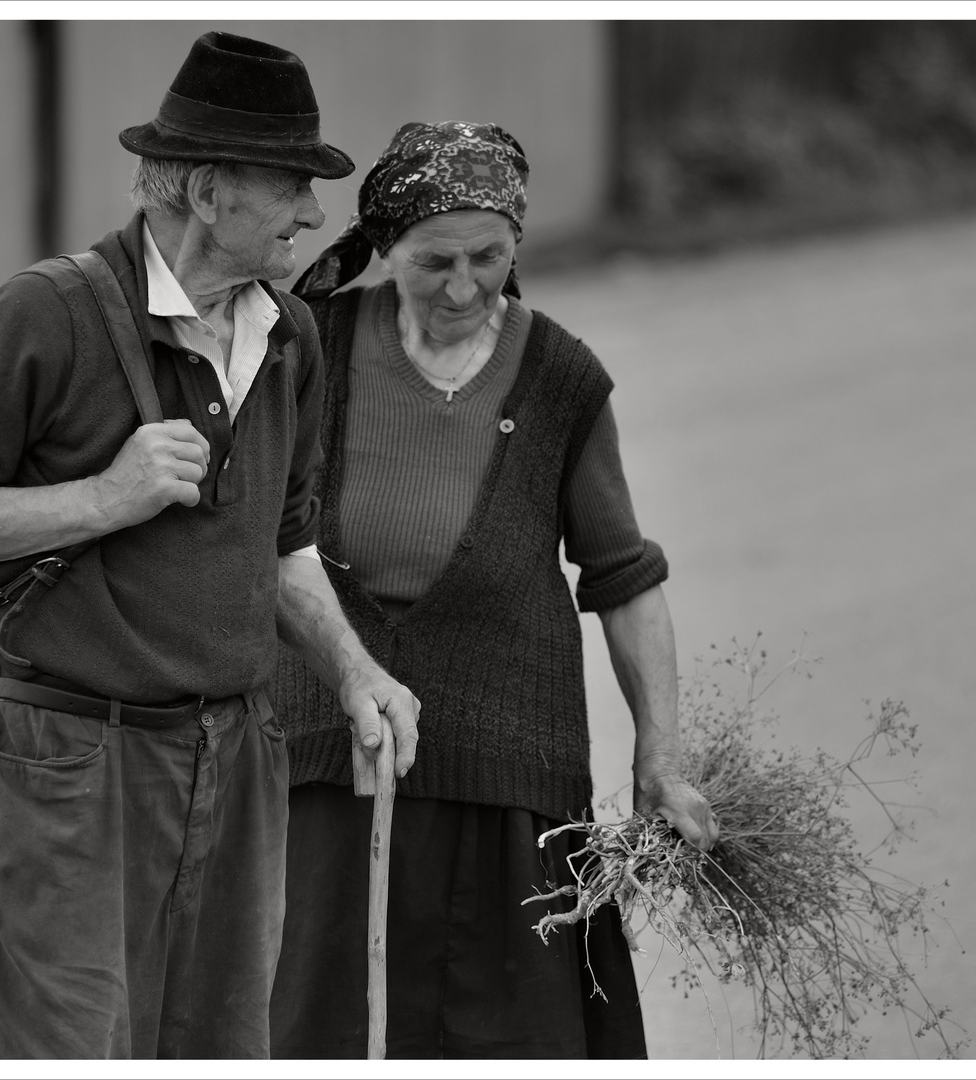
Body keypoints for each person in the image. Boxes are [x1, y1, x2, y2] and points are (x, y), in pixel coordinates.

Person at [0, 32, 419, 1059]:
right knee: (64, 1050)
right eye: (291, 186)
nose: (313, 214)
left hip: (234, 756)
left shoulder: (291, 338)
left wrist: (353, 673)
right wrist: (104, 497)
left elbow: (282, 545)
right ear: (209, 194)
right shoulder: (46, 314)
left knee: (216, 1046)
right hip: (66, 754)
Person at [269, 121, 718, 1059]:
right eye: (434, 261)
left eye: (489, 256)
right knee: (317, 1029)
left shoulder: (558, 378)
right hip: (326, 770)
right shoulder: (312, 348)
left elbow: (624, 579)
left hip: (509, 785)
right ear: (384, 248)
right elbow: (259, 540)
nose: (464, 286)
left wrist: (661, 757)